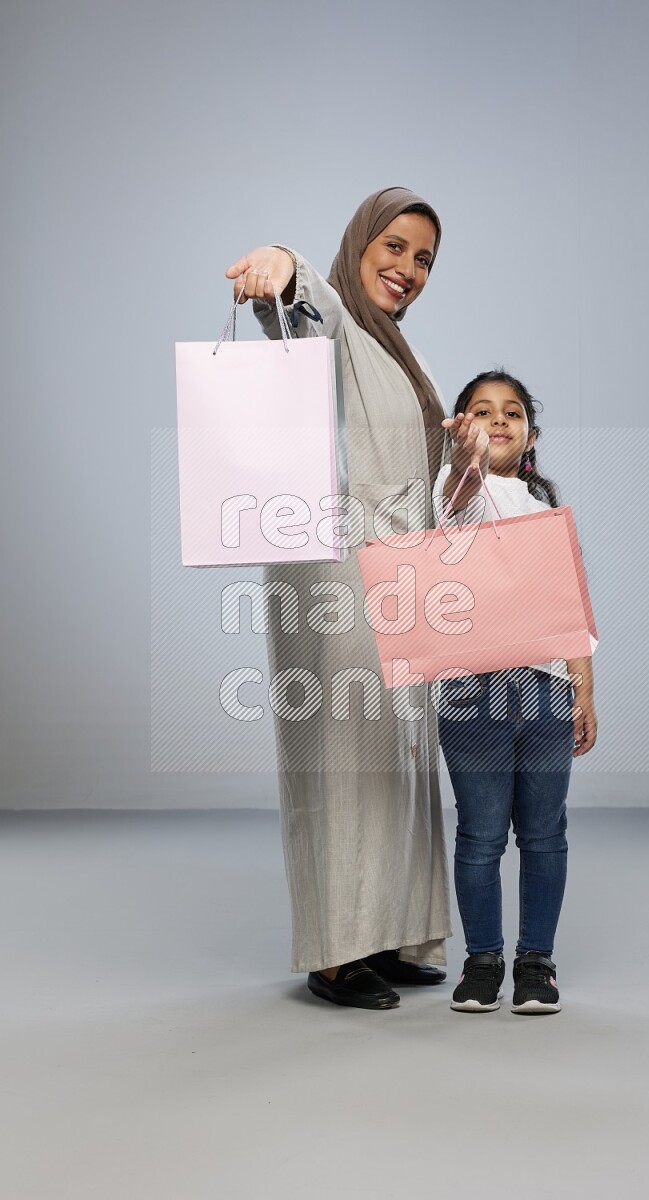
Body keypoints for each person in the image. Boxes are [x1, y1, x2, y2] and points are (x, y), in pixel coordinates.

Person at [225, 188, 451, 1010]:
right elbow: (298, 303)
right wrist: (281, 265)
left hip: (401, 573)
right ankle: (334, 954)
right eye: (394, 247)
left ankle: (385, 934)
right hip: (337, 571)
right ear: (359, 244)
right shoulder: (336, 327)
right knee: (344, 750)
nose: (408, 269)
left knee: (399, 762)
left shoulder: (396, 351)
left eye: (424, 258)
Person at [432, 370, 598, 1014]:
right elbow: (462, 501)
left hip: (548, 690)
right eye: (482, 411)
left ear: (530, 433)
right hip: (474, 691)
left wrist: (584, 689)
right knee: (479, 835)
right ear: (462, 425)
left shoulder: (550, 512)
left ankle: (536, 961)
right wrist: (465, 461)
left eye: (512, 413)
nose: (498, 420)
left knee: (544, 833)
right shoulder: (455, 490)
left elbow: (573, 610)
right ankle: (482, 961)